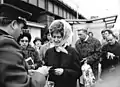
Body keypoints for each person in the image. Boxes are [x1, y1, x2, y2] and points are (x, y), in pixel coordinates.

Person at [0, 3, 46, 87]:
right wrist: (40, 74)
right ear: (13, 24)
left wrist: (25, 73)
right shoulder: (6, 43)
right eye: (21, 28)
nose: (21, 33)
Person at [44, 20, 82, 87]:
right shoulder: (49, 52)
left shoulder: (72, 52)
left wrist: (64, 72)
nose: (56, 40)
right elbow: (46, 68)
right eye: (54, 37)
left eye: (59, 37)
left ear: (64, 37)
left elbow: (78, 72)